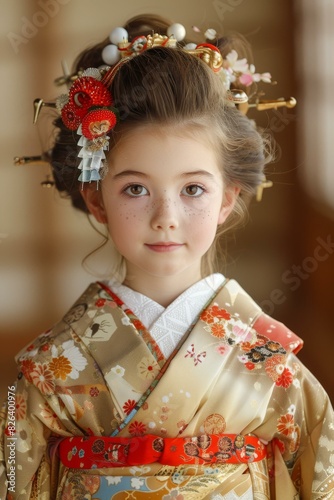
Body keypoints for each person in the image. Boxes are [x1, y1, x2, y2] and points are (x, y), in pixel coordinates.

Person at [1, 13, 333, 500]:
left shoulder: (271, 364)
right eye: (135, 188)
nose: (166, 216)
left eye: (193, 188)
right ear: (96, 199)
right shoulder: (53, 368)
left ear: (226, 199)